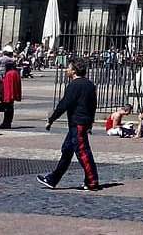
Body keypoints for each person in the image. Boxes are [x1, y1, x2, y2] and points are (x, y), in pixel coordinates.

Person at [38, 58, 101, 191]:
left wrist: (51, 119)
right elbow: (93, 105)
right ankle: (52, 179)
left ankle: (92, 181)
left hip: (77, 122)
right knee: (67, 151)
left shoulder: (74, 85)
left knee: (83, 152)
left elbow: (64, 104)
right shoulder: (90, 84)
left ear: (74, 71)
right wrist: (91, 122)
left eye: (68, 67)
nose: (66, 70)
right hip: (82, 122)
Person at [0, 51, 21, 129]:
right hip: (11, 94)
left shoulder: (9, 74)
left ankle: (6, 123)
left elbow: (6, 85)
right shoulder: (15, 72)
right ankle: (7, 122)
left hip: (8, 94)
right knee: (10, 106)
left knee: (8, 106)